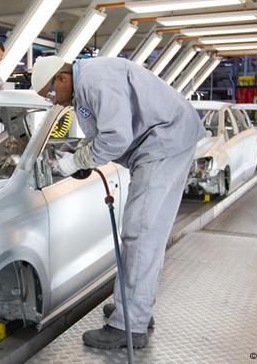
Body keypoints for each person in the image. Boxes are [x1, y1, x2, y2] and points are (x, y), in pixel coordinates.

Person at [31, 56, 205, 349]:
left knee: (140, 234)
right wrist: (81, 151)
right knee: (147, 234)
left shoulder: (95, 80)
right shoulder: (85, 83)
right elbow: (105, 131)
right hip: (163, 141)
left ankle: (130, 325)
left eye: (50, 93)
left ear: (61, 78)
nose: (54, 102)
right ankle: (135, 306)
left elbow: (115, 138)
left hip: (162, 144)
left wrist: (76, 161)